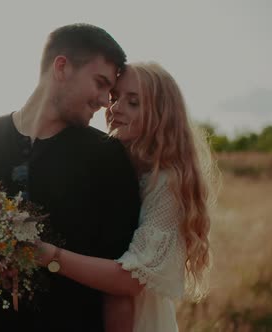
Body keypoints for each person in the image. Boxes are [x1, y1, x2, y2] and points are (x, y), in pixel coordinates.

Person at [0, 23, 141, 332]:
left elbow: (119, 288)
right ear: (62, 67)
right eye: (99, 83)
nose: (106, 101)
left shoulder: (107, 156)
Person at [34, 62, 218, 331]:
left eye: (133, 102)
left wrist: (46, 254)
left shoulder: (167, 182)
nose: (115, 109)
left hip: (141, 322)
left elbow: (130, 280)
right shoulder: (112, 169)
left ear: (163, 115)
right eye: (115, 98)